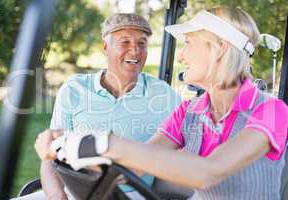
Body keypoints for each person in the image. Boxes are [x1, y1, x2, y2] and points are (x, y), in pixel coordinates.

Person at [35, 6, 288, 200]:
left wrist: (101, 143)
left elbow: (208, 171)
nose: (181, 55)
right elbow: (131, 163)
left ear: (219, 48)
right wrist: (65, 148)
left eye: (188, 44)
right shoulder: (188, 112)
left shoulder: (273, 111)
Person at [17, 13, 181, 200]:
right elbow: (50, 157)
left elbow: (185, 148)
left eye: (142, 43)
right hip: (73, 189)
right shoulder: (74, 89)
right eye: (125, 42)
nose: (135, 51)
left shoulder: (163, 94)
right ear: (106, 47)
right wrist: (56, 195)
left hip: (130, 194)